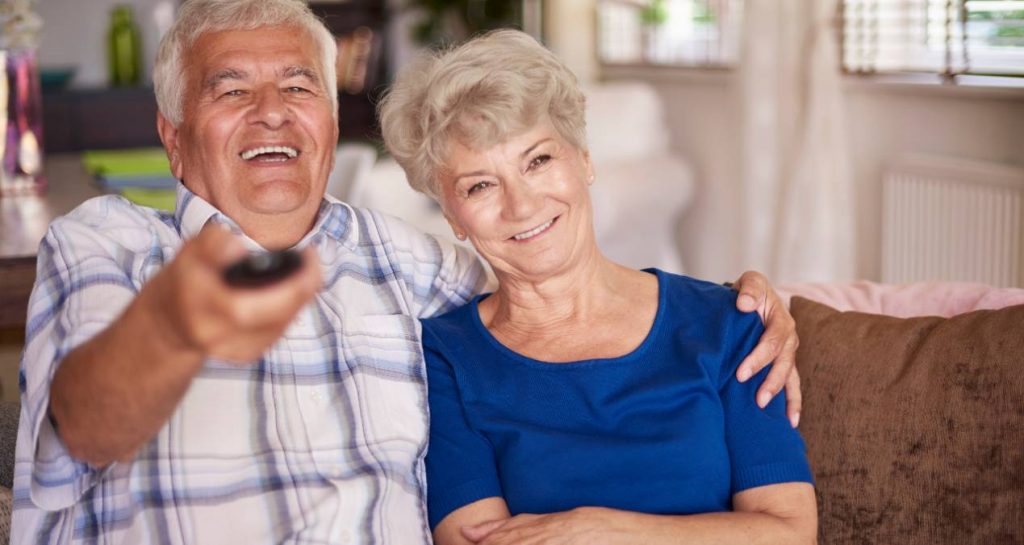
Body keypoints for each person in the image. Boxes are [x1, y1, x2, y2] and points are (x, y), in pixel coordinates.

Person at [12, 1, 799, 543]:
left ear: (330, 119)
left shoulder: (409, 262)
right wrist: (176, 325)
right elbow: (86, 425)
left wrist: (766, 305)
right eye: (233, 90)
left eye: (298, 86)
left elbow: (553, 292)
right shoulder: (109, 243)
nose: (273, 110)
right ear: (173, 137)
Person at [378, 29, 817, 545]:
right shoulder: (442, 358)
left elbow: (790, 532)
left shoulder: (727, 323)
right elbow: (477, 539)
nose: (522, 205)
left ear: (584, 160)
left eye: (538, 161)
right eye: (480, 186)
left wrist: (603, 529)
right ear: (453, 216)